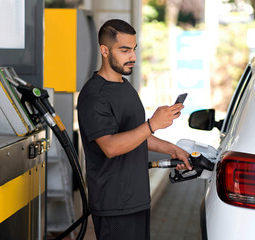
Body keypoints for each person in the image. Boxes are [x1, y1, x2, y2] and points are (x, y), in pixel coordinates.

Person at [77, 19, 192, 240]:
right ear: (104, 50)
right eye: (124, 50)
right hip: (114, 204)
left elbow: (135, 136)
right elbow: (110, 146)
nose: (133, 57)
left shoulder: (125, 86)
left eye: (134, 49)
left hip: (136, 199)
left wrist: (171, 149)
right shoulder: (94, 96)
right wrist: (152, 124)